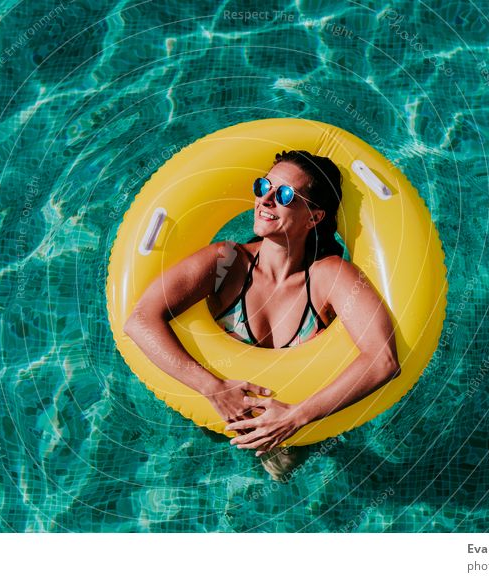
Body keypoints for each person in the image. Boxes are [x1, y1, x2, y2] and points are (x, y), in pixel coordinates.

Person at [123, 150, 400, 480]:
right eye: (263, 186)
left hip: (300, 430)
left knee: (291, 481)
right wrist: (212, 387)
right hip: (210, 416)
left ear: (313, 217)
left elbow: (383, 360)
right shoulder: (227, 263)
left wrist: (296, 416)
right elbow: (139, 320)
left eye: (284, 195)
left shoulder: (328, 277)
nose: (265, 200)